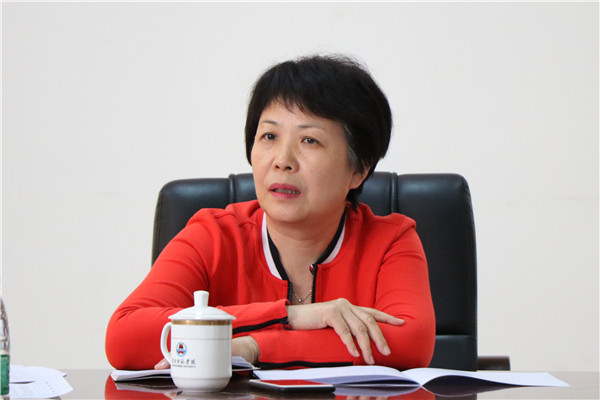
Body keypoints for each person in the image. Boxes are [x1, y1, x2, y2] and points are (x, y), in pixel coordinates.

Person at [105, 54, 435, 371]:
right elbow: (125, 337)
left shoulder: (390, 241)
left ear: (358, 170)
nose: (282, 160)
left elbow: (408, 342)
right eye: (269, 136)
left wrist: (255, 346)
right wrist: (291, 316)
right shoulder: (213, 235)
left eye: (310, 140)